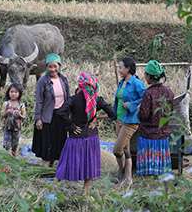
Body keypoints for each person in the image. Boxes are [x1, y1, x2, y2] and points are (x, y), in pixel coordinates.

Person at [56, 72, 114, 195]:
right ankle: (85, 192)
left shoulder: (74, 99)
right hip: (91, 136)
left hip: (76, 136)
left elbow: (60, 112)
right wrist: (96, 118)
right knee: (89, 164)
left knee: (68, 162)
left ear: (80, 84)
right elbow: (113, 114)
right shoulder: (97, 100)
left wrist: (70, 125)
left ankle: (57, 188)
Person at [113, 57, 146, 187]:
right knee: (126, 150)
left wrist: (132, 105)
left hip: (130, 121)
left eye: (121, 67)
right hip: (120, 120)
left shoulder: (136, 83)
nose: (119, 70)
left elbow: (145, 97)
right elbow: (118, 100)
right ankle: (128, 179)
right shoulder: (122, 83)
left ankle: (121, 173)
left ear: (128, 69)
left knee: (117, 150)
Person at [32, 53, 70, 167]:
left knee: (60, 139)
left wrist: (70, 114)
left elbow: (68, 97)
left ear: (59, 66)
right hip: (48, 115)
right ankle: (47, 163)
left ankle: (57, 163)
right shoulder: (43, 81)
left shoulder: (63, 79)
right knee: (48, 140)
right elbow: (39, 100)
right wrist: (38, 118)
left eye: (55, 66)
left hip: (61, 114)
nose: (53, 69)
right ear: (46, 67)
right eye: (50, 67)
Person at [137, 60, 174, 176]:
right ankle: (162, 170)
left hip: (148, 134)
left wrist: (138, 109)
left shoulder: (148, 93)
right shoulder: (169, 92)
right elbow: (169, 113)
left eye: (145, 74)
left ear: (149, 77)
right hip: (163, 133)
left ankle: (148, 170)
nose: (145, 76)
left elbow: (144, 116)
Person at [2, 83, 26, 156]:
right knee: (6, 142)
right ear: (8, 93)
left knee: (15, 142)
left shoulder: (21, 105)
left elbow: (24, 116)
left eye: (16, 92)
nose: (13, 94)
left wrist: (19, 115)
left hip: (17, 128)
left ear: (19, 93)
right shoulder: (6, 104)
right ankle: (6, 155)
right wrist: (7, 112)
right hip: (7, 127)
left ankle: (14, 154)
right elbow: (2, 114)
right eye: (11, 92)